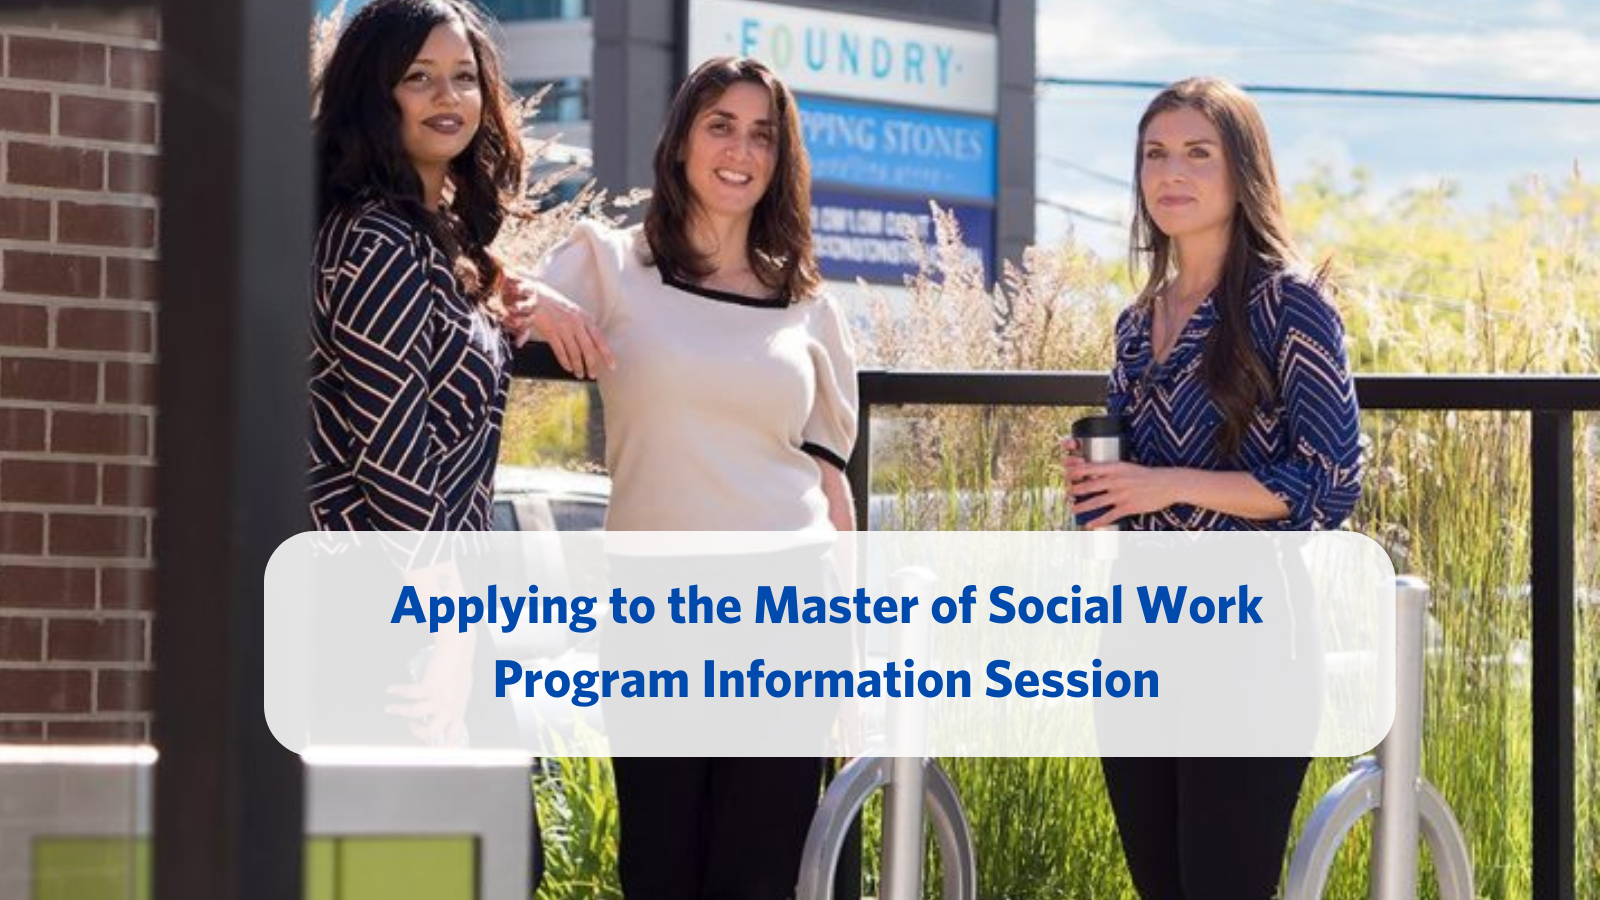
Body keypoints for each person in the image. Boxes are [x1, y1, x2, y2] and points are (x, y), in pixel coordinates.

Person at [513, 56, 858, 900]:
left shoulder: (809, 304)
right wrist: (542, 303)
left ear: (781, 161)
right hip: (658, 606)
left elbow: (831, 487)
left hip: (791, 606)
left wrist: (855, 660)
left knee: (763, 867)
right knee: (662, 863)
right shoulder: (609, 263)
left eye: (762, 135)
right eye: (720, 126)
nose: (740, 150)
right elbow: (489, 302)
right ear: (680, 145)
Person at [1061, 77, 1362, 899]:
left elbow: (1332, 483)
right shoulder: (1135, 323)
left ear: (1243, 172)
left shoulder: (1288, 304)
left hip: (1253, 634)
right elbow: (1128, 506)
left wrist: (1162, 484)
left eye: (1199, 153)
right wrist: (1100, 490)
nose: (1172, 173)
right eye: (1155, 154)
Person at [307, 0, 550, 749]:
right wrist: (447, 636)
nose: (449, 98)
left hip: (422, 598)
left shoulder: (430, 240)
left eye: (464, 77)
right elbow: (395, 456)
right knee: (452, 852)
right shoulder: (376, 239)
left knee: (479, 851)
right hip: (382, 611)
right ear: (375, 95)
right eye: (420, 77)